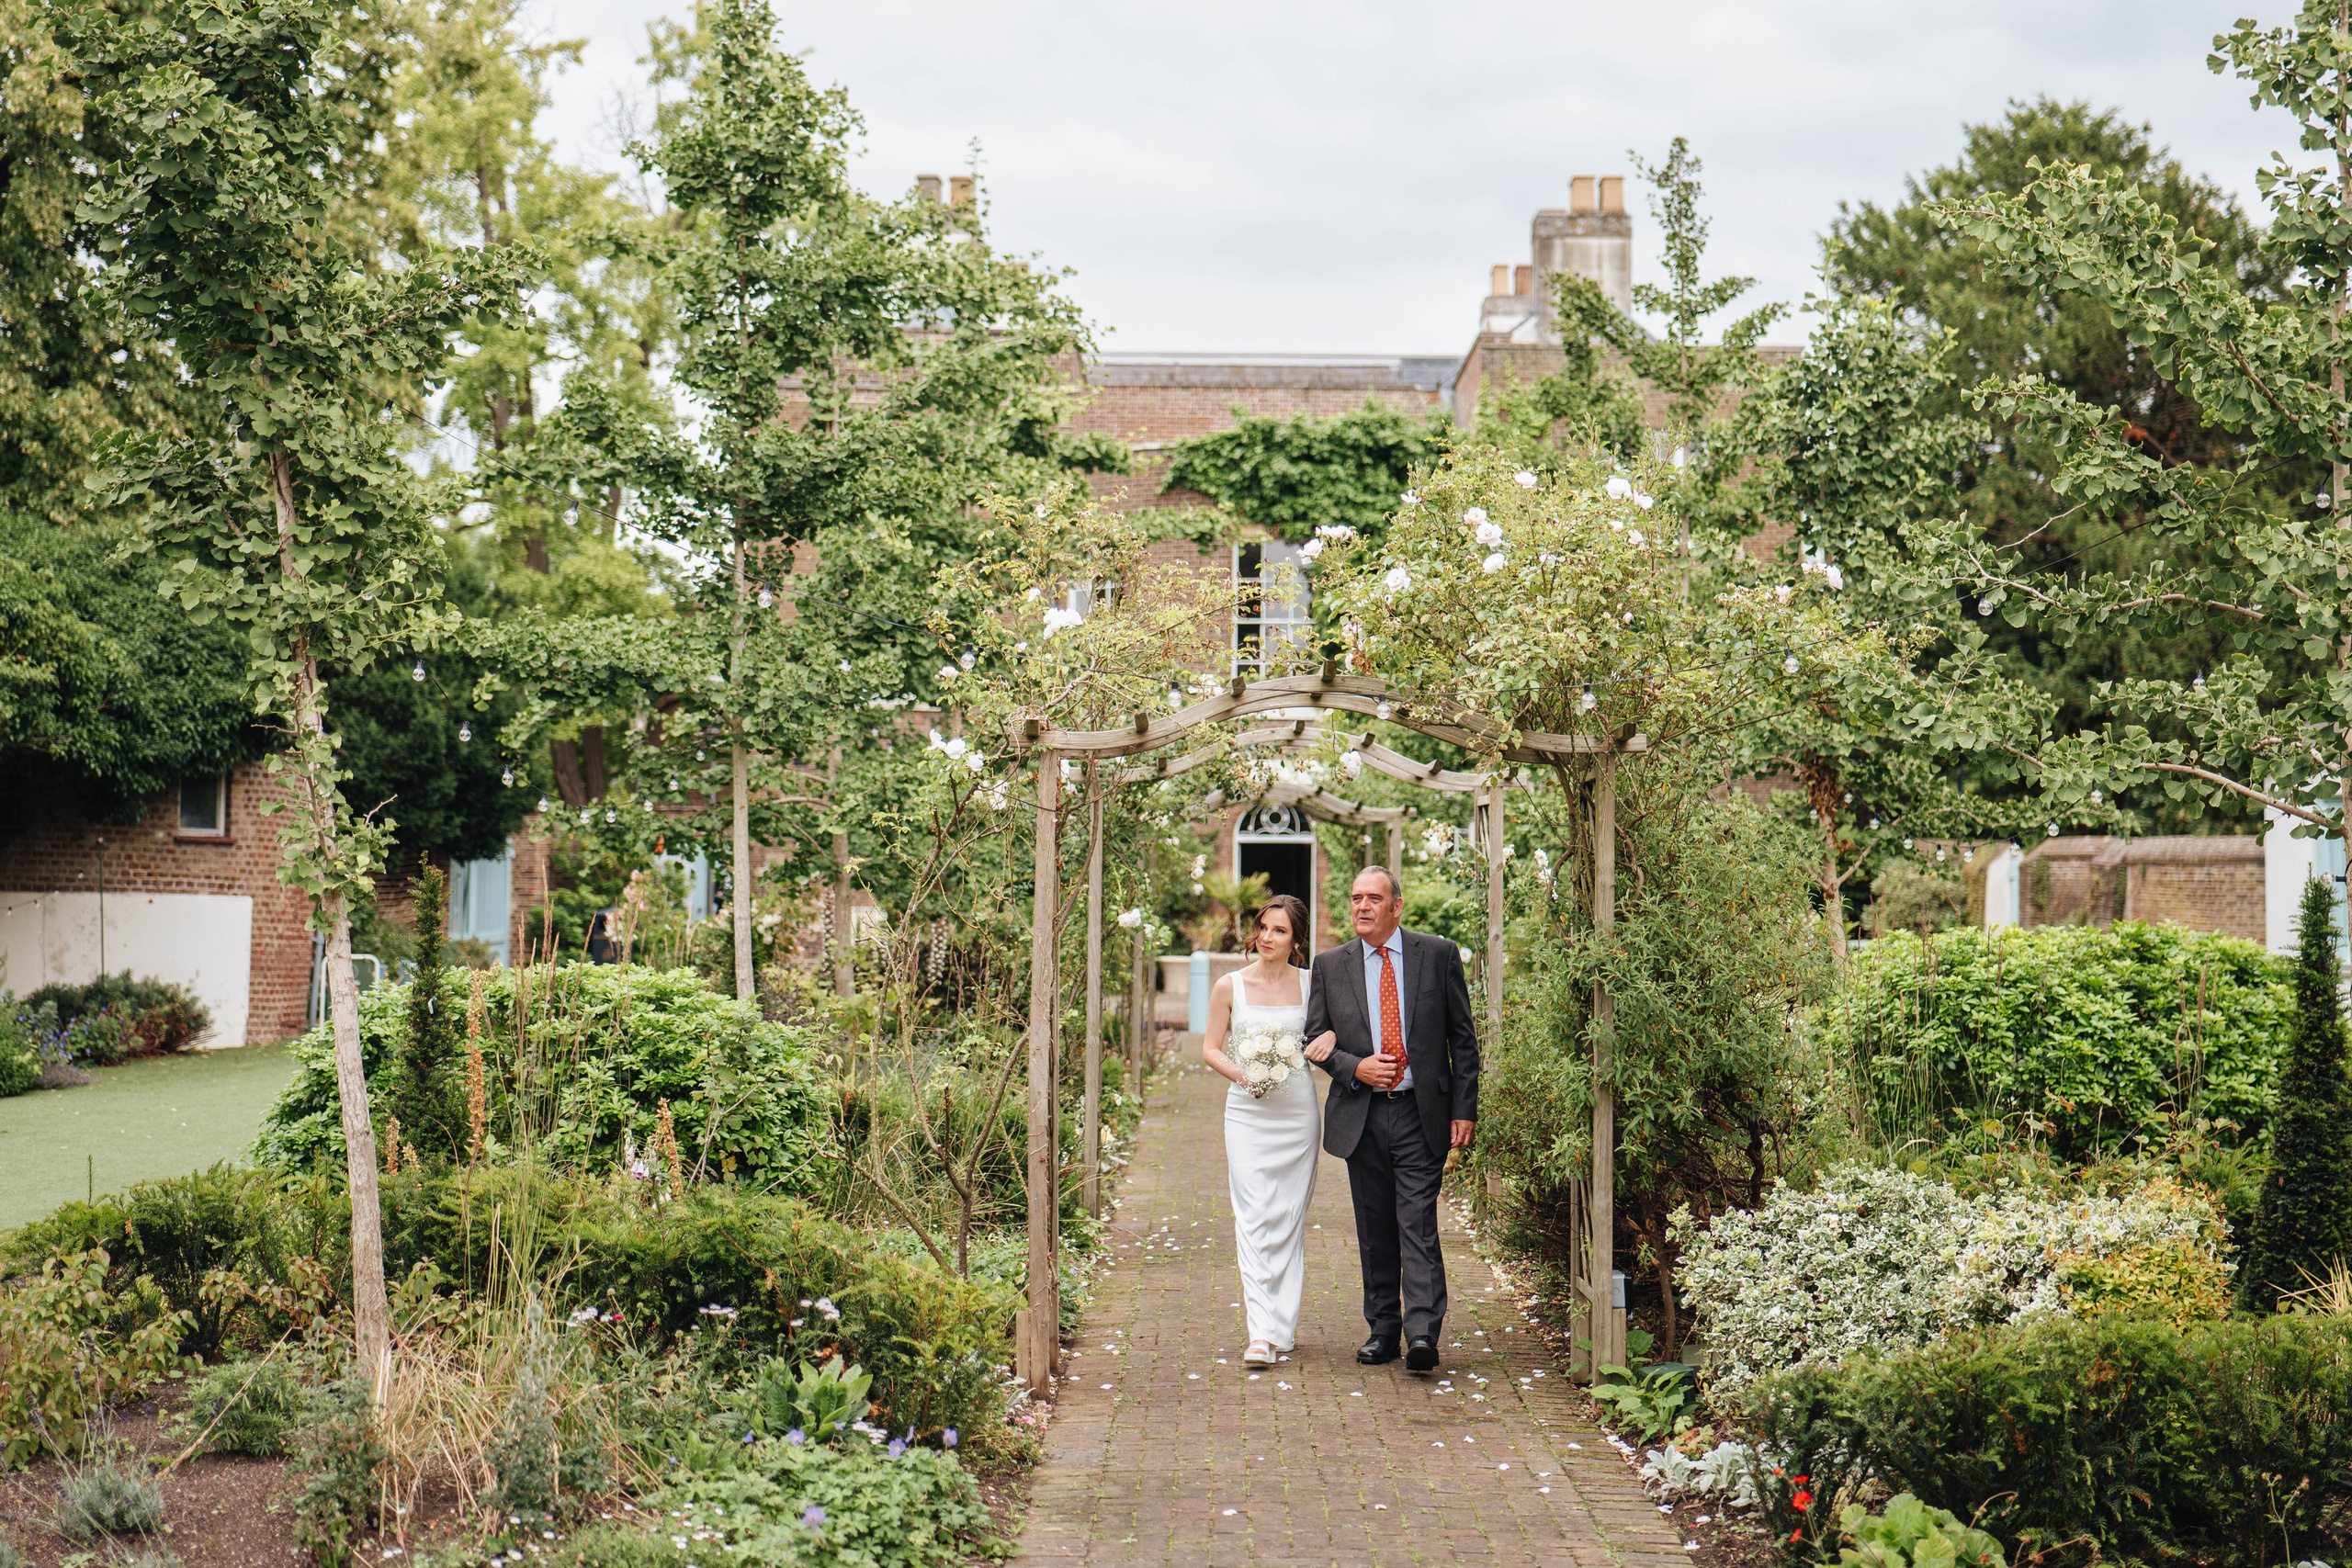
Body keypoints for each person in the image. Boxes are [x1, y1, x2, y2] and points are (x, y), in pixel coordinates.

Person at [1306, 865, 1479, 1371]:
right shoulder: (1329, 965)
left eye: (1373, 899)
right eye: (1356, 898)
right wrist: (1354, 1066)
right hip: (1360, 1114)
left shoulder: (1438, 955)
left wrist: (1464, 1108)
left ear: (1395, 906)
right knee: (1374, 1226)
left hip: (1420, 1113)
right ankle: (1383, 1330)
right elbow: (1313, 1039)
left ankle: (1422, 1334)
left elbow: (1462, 1040)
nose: (1362, 906)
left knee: (1417, 1223)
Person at [1200, 894, 1338, 1368]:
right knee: (1254, 1217)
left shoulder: (1313, 983)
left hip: (1297, 1115)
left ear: (1296, 940)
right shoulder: (1229, 986)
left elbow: (1333, 1031)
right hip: (1247, 1114)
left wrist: (1331, 1037)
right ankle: (1260, 1335)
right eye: (1262, 927)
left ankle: (1283, 1328)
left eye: (1280, 930)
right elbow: (1211, 1048)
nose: (1267, 937)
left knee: (1287, 1220)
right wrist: (1243, 1074)